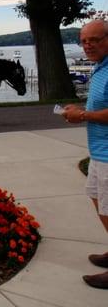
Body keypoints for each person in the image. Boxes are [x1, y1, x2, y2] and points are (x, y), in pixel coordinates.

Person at [62, 19, 108, 289]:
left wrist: (84, 115)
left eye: (95, 39)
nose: (88, 45)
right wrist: (78, 108)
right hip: (99, 152)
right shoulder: (100, 68)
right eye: (84, 41)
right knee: (96, 198)